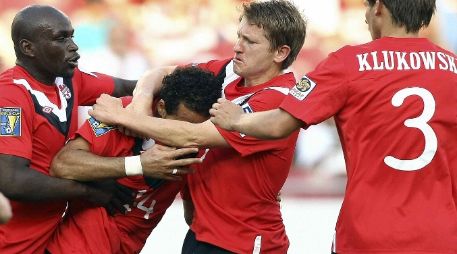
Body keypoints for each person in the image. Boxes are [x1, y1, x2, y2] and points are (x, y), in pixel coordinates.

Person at [210, 0, 457, 253]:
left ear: (379, 7)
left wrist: (238, 119)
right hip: (441, 235)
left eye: (366, 7)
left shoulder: (347, 63)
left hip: (368, 235)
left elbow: (279, 124)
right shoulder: (453, 67)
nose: (365, 17)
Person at [89, 1, 306, 253]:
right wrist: (139, 104)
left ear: (280, 53)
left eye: (250, 41)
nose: (237, 47)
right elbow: (162, 74)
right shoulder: (229, 72)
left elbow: (194, 135)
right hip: (203, 233)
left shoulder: (277, 98)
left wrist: (123, 117)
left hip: (245, 240)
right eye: (239, 36)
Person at [0, 5, 199, 254]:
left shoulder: (70, 80)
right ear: (28, 47)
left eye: (72, 36)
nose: (73, 46)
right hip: (9, 238)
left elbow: (137, 85)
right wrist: (89, 190)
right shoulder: (9, 97)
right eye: (61, 38)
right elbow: (11, 180)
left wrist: (141, 102)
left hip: (44, 234)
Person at [46, 66, 221, 254]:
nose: (186, 136)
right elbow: (62, 164)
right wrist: (138, 165)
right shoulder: (119, 115)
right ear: (161, 107)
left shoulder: (201, 143)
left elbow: (191, 215)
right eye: (181, 126)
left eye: (196, 129)